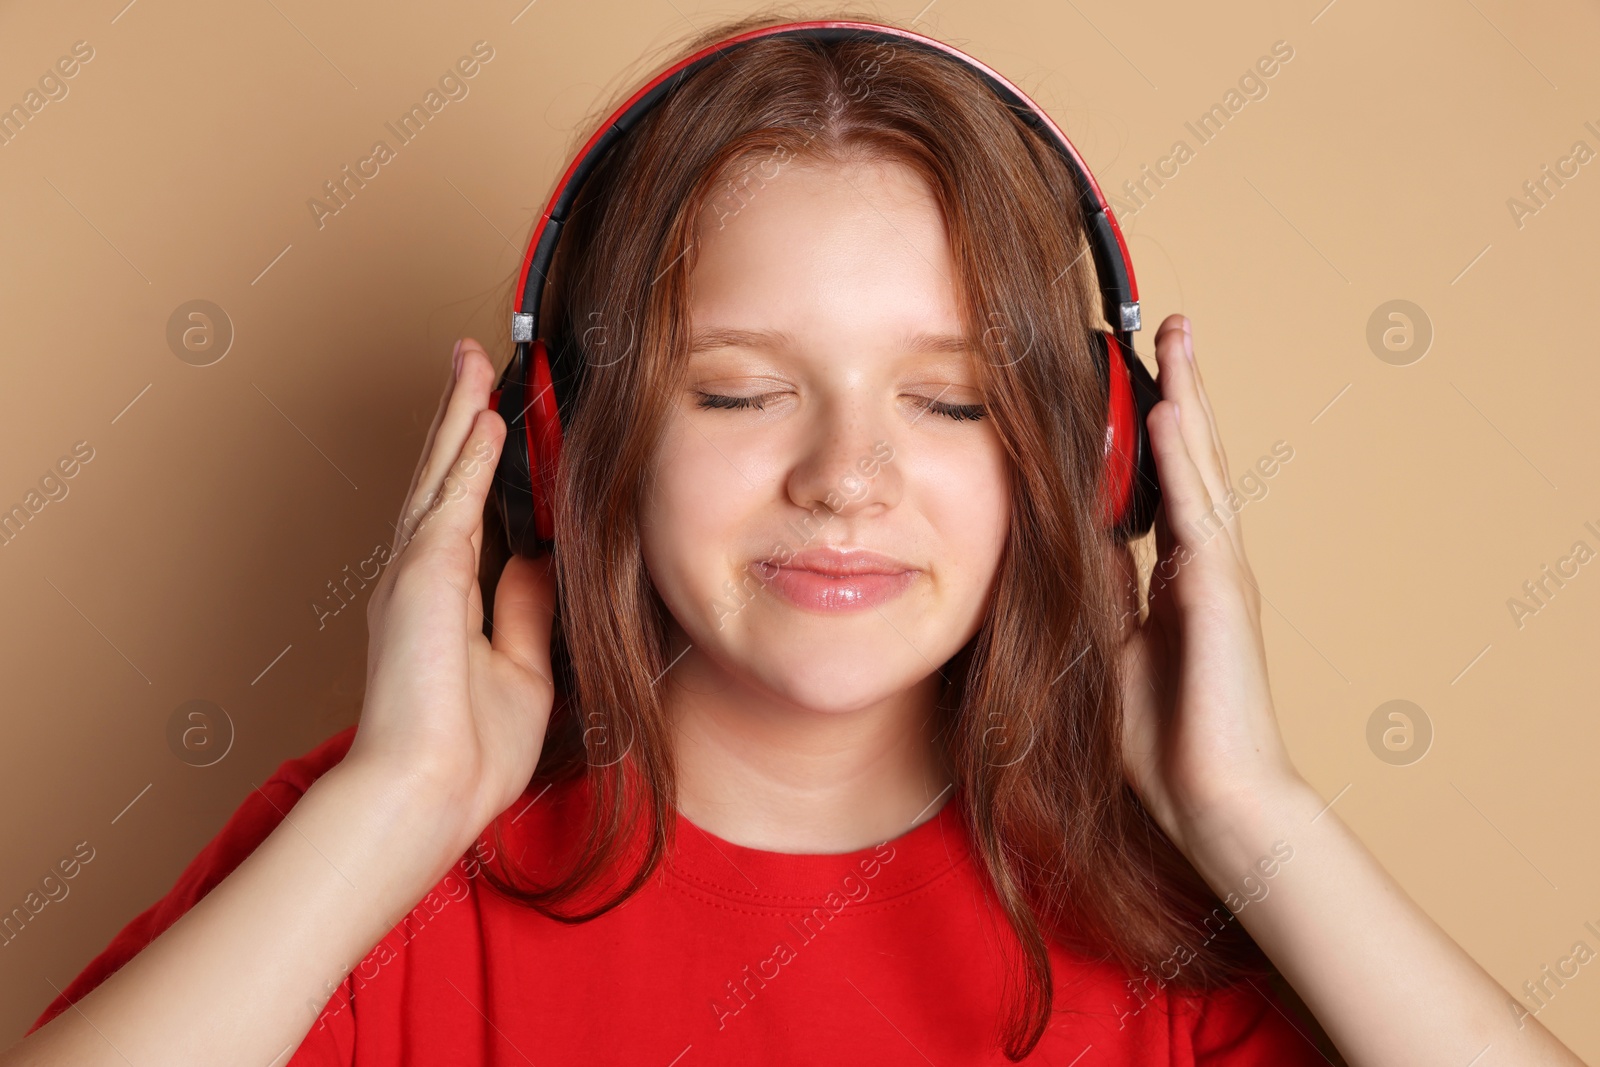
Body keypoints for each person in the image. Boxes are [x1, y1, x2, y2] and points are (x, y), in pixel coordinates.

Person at [6, 12, 1585, 1067]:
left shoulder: (1177, 920)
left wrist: (1251, 813)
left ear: (1098, 463)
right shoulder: (371, 857)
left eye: (950, 405)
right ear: (568, 446)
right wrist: (400, 803)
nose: (848, 476)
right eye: (743, 390)